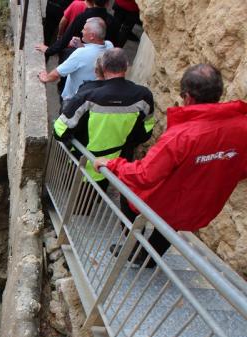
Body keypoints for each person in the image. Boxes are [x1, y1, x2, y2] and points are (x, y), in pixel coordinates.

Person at [94, 64, 247, 266]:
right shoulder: (241, 125)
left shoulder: (182, 136)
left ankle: (135, 245)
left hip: (173, 196)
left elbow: (144, 175)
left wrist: (113, 164)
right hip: (202, 200)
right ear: (218, 92)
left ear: (188, 97)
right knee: (169, 226)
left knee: (128, 192)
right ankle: (148, 258)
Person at [53, 48, 155, 187]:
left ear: (103, 67)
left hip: (84, 163)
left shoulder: (88, 96)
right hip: (114, 165)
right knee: (95, 198)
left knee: (76, 197)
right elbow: (146, 131)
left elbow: (59, 131)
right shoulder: (144, 96)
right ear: (126, 65)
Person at [38, 18, 112, 102]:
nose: (82, 31)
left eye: (84, 29)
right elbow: (93, 54)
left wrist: (46, 77)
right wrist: (81, 46)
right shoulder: (110, 46)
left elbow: (57, 73)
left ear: (92, 36)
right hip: (92, 97)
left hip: (74, 99)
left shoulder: (80, 54)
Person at [35, 0, 117, 65]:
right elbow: (113, 46)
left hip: (76, 57)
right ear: (108, 3)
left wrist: (49, 50)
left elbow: (66, 38)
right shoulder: (112, 22)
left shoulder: (83, 16)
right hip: (97, 63)